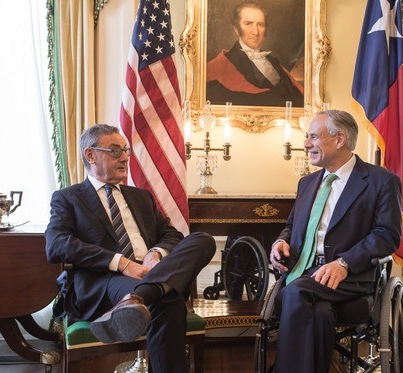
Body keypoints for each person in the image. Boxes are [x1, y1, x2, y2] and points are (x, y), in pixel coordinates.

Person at [45, 124, 216, 372]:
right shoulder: (68, 198)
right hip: (106, 279)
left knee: (203, 240)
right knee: (168, 299)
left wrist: (154, 254)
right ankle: (147, 293)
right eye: (115, 150)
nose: (125, 157)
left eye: (125, 150)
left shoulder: (140, 196)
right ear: (90, 155)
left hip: (150, 272)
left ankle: (138, 297)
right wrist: (123, 264)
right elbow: (56, 244)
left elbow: (171, 234)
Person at [269, 110, 402, 372]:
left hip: (350, 278)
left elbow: (387, 235)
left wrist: (344, 263)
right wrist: (280, 242)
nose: (306, 144)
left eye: (314, 137)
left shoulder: (381, 181)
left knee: (295, 291)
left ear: (339, 139)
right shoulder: (307, 183)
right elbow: (290, 226)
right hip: (304, 272)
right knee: (318, 313)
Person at [206, 1, 304, 107]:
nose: (256, 32)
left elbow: (295, 95)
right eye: (248, 24)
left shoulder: (273, 62)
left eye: (260, 25)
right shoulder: (224, 64)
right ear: (236, 29)